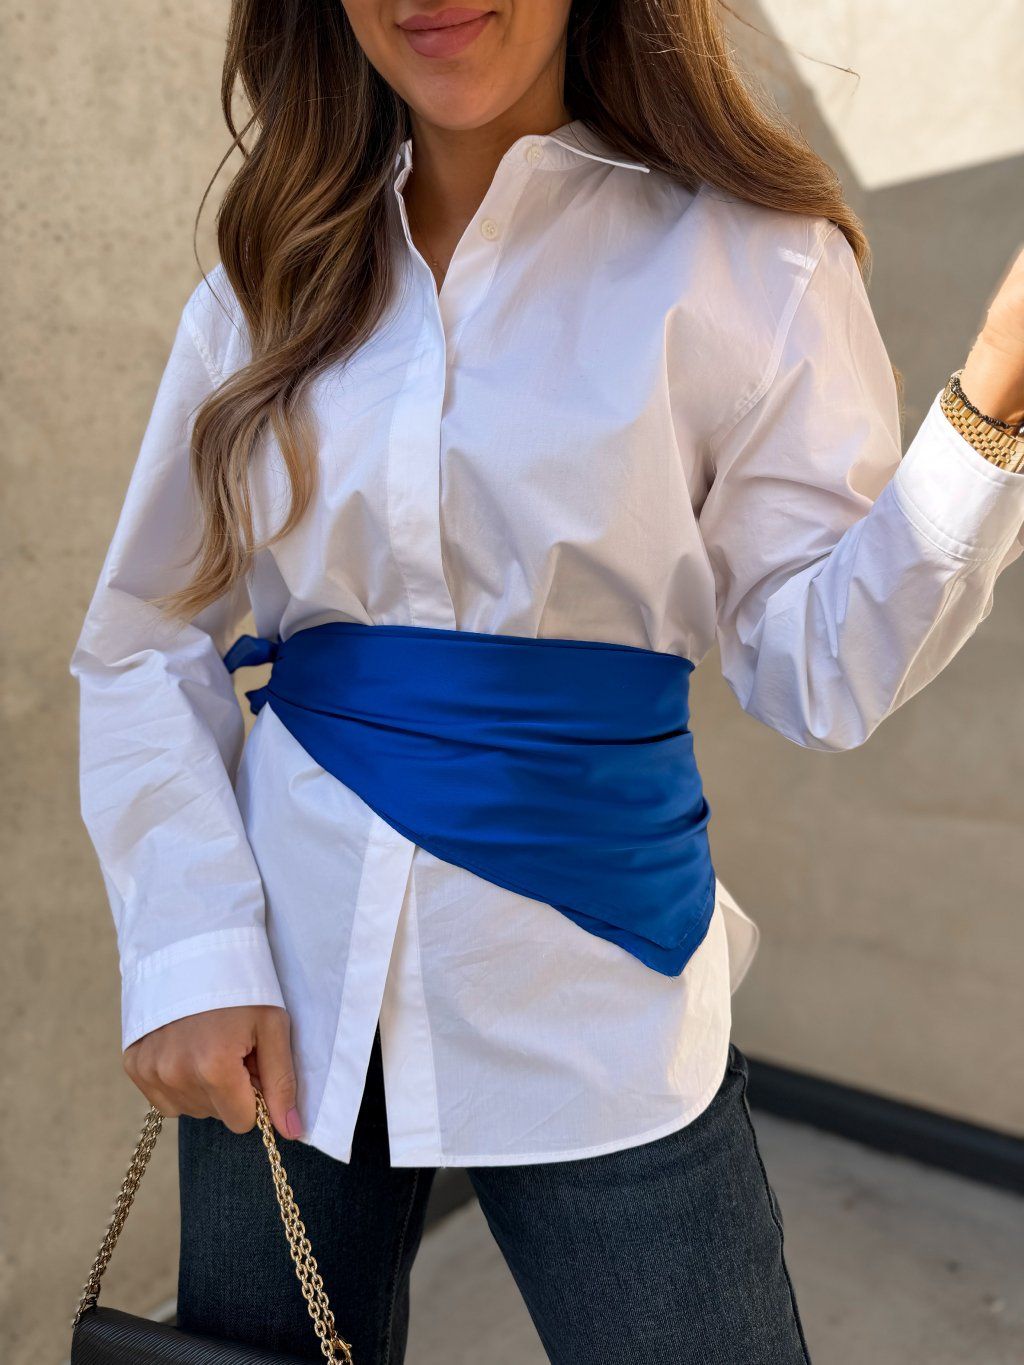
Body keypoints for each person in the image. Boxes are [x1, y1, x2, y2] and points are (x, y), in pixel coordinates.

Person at [69, 3, 1024, 1363]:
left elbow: (823, 669)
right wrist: (189, 950)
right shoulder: (270, 274)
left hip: (597, 989)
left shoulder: (752, 261)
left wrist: (1000, 387)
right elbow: (143, 637)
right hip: (281, 992)